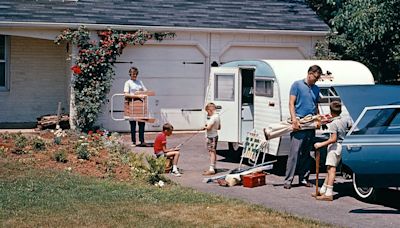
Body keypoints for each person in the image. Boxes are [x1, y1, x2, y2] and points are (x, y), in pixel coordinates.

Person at [284, 65, 322, 189]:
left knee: (306, 153)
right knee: (294, 153)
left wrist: (318, 118)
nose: (315, 80)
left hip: (311, 124)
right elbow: (291, 103)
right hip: (300, 122)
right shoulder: (297, 85)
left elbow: (315, 105)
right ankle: (288, 180)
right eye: (315, 78)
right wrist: (294, 120)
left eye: (317, 79)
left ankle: (304, 179)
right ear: (310, 74)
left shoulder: (316, 88)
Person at [313, 101, 352, 201]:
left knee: (332, 169)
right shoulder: (345, 120)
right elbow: (350, 126)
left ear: (331, 111)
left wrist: (320, 144)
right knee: (329, 168)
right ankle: (323, 190)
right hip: (341, 146)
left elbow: (333, 139)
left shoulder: (334, 124)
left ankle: (329, 193)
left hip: (335, 147)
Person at [124, 67, 147, 146]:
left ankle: (142, 141)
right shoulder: (128, 82)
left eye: (135, 74)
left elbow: (145, 91)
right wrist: (137, 96)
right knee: (133, 124)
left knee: (141, 123)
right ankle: (133, 141)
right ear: (130, 74)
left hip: (140, 105)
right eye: (133, 74)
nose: (134, 75)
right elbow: (126, 94)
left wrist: (142, 93)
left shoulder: (139, 82)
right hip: (132, 104)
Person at [203, 103, 221, 176]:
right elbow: (219, 127)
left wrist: (205, 127)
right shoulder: (217, 116)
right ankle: (214, 167)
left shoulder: (213, 117)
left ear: (209, 109)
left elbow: (209, 127)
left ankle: (211, 169)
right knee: (213, 152)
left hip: (211, 136)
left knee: (212, 152)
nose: (207, 113)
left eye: (207, 111)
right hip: (215, 135)